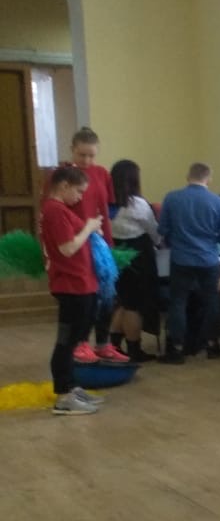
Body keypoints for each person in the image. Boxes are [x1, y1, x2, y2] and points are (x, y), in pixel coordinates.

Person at [54, 128, 128, 364]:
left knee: (107, 295)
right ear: (72, 150)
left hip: (100, 240)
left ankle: (103, 343)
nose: (86, 160)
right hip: (77, 241)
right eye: (81, 155)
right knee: (86, 298)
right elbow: (55, 209)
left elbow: (108, 207)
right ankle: (81, 343)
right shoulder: (63, 176)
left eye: (91, 155)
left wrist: (103, 232)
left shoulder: (102, 173)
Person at [40, 165, 104, 415]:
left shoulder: (62, 210)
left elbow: (81, 231)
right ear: (64, 186)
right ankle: (64, 396)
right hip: (70, 286)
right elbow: (67, 248)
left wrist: (93, 227)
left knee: (75, 340)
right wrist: (88, 228)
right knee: (66, 343)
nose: (80, 198)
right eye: (78, 192)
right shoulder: (54, 210)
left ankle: (72, 387)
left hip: (82, 284)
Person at [158, 162, 220, 364]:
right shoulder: (218, 202)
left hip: (180, 258)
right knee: (212, 301)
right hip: (208, 259)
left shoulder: (172, 198)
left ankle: (176, 348)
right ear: (209, 179)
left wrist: (176, 241)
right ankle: (212, 345)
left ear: (188, 176)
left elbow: (162, 230)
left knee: (178, 302)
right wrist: (211, 240)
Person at [107, 159, 161, 362]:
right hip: (138, 257)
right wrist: (159, 242)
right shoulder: (138, 204)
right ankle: (134, 349)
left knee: (122, 302)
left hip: (115, 255)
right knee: (134, 306)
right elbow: (154, 232)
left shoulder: (106, 203)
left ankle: (113, 346)